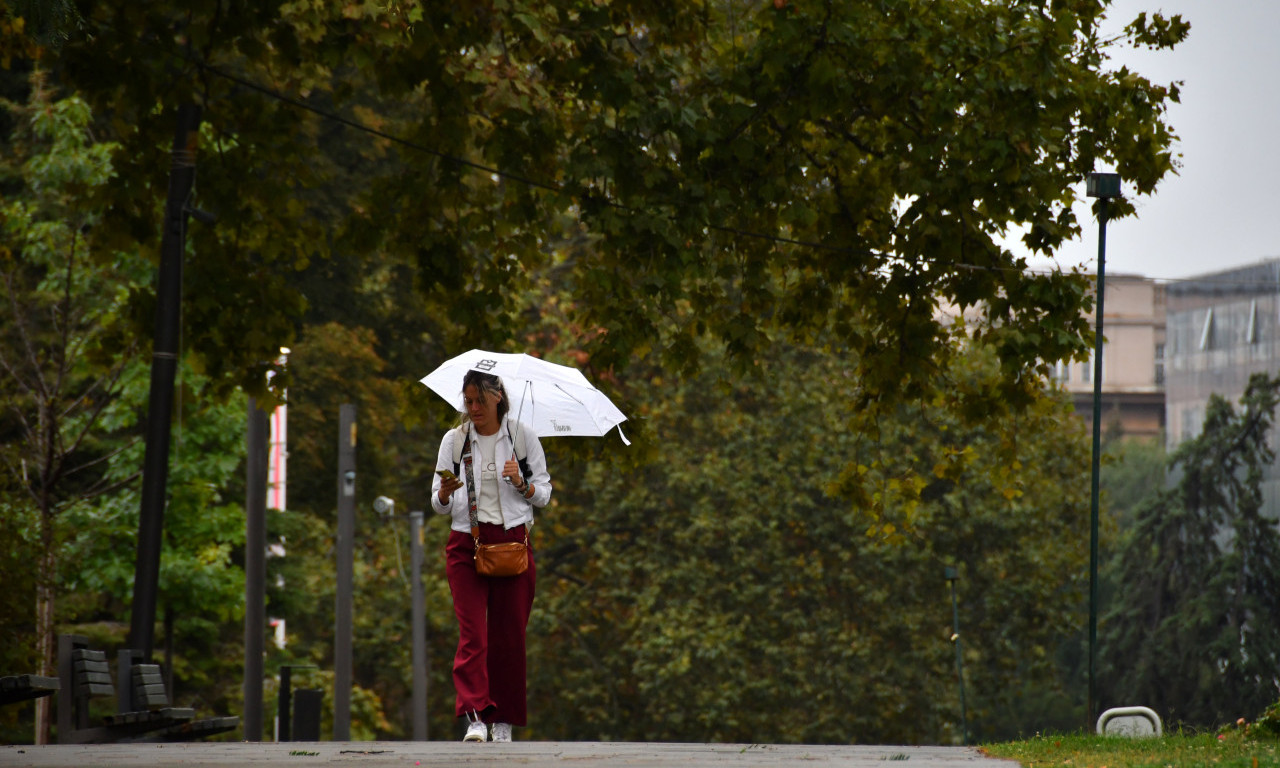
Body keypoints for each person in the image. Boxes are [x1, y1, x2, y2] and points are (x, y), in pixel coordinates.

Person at [431, 370, 552, 743]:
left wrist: (521, 482)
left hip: (513, 544)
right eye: (467, 402)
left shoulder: (522, 438)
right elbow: (436, 502)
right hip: (467, 543)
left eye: (479, 401)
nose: (472, 409)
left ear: (497, 397)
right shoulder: (455, 441)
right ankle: (475, 718)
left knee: (509, 637)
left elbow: (543, 494)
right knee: (473, 635)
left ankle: (503, 721)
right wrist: (447, 494)